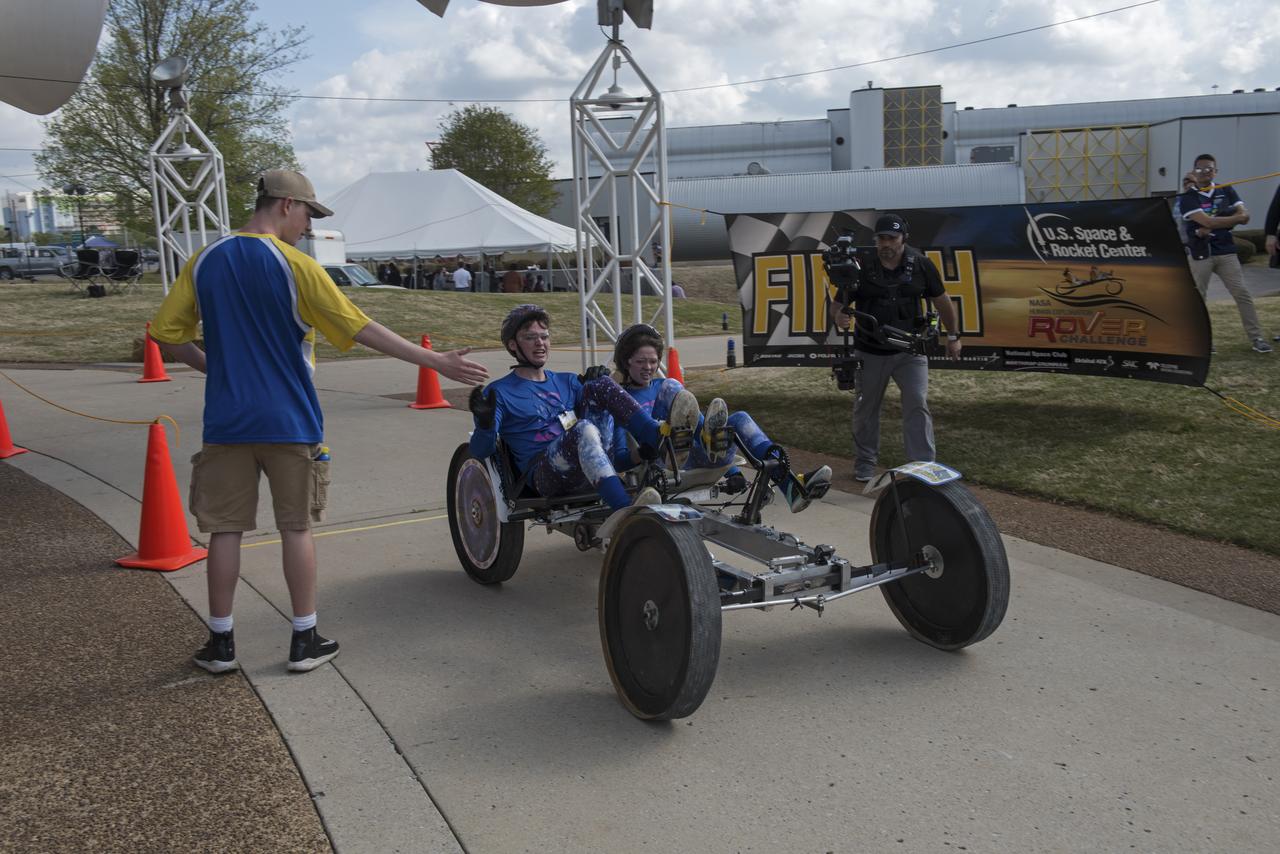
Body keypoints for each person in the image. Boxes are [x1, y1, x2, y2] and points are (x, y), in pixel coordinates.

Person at [150, 169, 489, 676]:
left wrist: (217, 368)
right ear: (286, 204)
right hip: (290, 420)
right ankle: (303, 638)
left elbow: (167, 334)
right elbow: (359, 325)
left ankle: (221, 644)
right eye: (308, 213)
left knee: (224, 532)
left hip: (226, 422)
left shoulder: (205, 260)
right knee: (296, 528)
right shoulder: (296, 266)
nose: (308, 226)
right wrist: (435, 362)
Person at [468, 305, 701, 511]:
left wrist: (598, 381)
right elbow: (480, 451)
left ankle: (656, 437)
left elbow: (604, 407)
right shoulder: (499, 392)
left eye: (544, 336)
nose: (540, 343)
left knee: (601, 385)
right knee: (583, 428)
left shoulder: (567, 381)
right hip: (546, 475)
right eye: (530, 337)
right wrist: (485, 425)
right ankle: (624, 510)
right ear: (513, 345)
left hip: (593, 461)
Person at [610, 324, 831, 513]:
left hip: (693, 454)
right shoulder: (620, 398)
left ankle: (791, 488)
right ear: (626, 362)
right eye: (641, 361)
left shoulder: (662, 387)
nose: (648, 368)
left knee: (740, 419)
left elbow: (702, 425)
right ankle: (677, 444)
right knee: (672, 386)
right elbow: (619, 459)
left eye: (653, 361)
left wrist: (732, 471)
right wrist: (641, 453)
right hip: (657, 463)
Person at [831, 213, 963, 483]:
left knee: (917, 402)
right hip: (869, 350)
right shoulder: (860, 266)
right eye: (881, 238)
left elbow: (943, 301)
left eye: (892, 237)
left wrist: (953, 336)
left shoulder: (922, 265)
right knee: (866, 408)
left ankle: (922, 465)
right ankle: (865, 461)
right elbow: (837, 304)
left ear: (904, 238)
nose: (886, 243)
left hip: (910, 352)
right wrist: (838, 316)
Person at [1177, 154, 1273, 353]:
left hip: (1226, 252)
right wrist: (1230, 219)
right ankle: (1202, 341)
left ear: (1216, 171)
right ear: (1194, 171)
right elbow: (1208, 222)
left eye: (1209, 169)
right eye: (1200, 169)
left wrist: (1220, 222)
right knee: (1198, 298)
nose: (1205, 172)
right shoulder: (1188, 197)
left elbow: (1245, 216)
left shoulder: (1226, 189)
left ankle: (1257, 338)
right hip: (1200, 253)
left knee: (1242, 293)